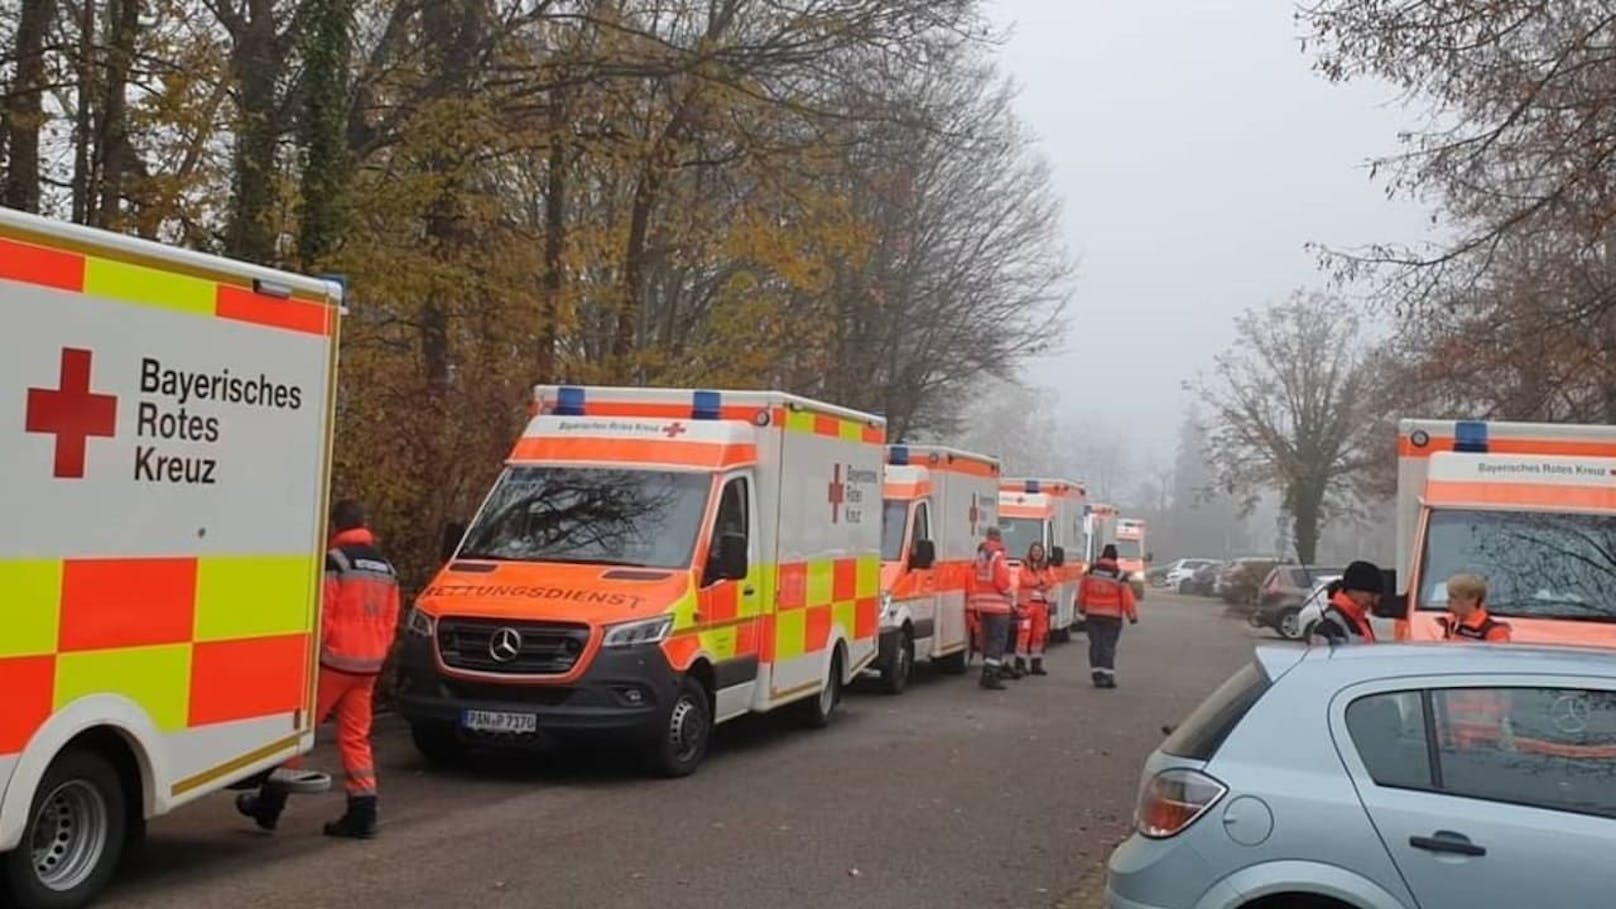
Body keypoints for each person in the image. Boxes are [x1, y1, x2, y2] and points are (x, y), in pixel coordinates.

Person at [238, 499, 402, 838]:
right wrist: (379, 651)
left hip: (334, 662)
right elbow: (390, 620)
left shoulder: (336, 562)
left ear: (335, 527)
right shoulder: (386, 568)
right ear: (364, 524)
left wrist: (315, 653)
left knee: (296, 735)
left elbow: (324, 613)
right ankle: (363, 810)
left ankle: (269, 807)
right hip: (368, 665)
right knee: (356, 738)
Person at [1078, 544, 1137, 688]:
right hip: (1112, 617)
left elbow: (1082, 591)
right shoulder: (1119, 574)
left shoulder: (1090, 571)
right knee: (1108, 646)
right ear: (1115, 557)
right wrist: (1132, 615)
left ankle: (1096, 675)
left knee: (1095, 645)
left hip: (1092, 615)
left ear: (1102, 556)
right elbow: (1127, 597)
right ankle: (1108, 676)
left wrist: (1081, 608)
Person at [968, 526, 1016, 690]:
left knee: (988, 640)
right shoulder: (998, 556)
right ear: (999, 538)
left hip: (983, 604)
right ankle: (991, 674)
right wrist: (1010, 594)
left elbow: (976, 577)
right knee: (998, 640)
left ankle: (988, 671)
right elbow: (1001, 581)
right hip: (998, 605)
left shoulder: (981, 555)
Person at [1312, 560, 1383, 645]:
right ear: (1354, 590)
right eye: (1372, 595)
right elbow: (1324, 656)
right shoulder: (1329, 624)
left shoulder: (1359, 620)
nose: (1375, 602)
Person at [1015, 542, 1054, 677]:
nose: (1036, 553)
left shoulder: (1046, 567)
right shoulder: (1024, 565)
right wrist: (1039, 582)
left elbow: (1051, 581)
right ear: (1030, 552)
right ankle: (1020, 664)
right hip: (1027, 605)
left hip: (1041, 606)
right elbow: (1024, 580)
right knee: (1024, 634)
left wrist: (1040, 582)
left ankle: (1036, 664)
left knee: (1039, 635)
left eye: (1039, 551)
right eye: (1034, 550)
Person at [1438, 573, 1511, 642]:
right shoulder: (1450, 623)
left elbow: (1500, 655)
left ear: (1472, 600)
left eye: (1454, 597)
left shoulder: (1494, 631)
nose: (1448, 601)